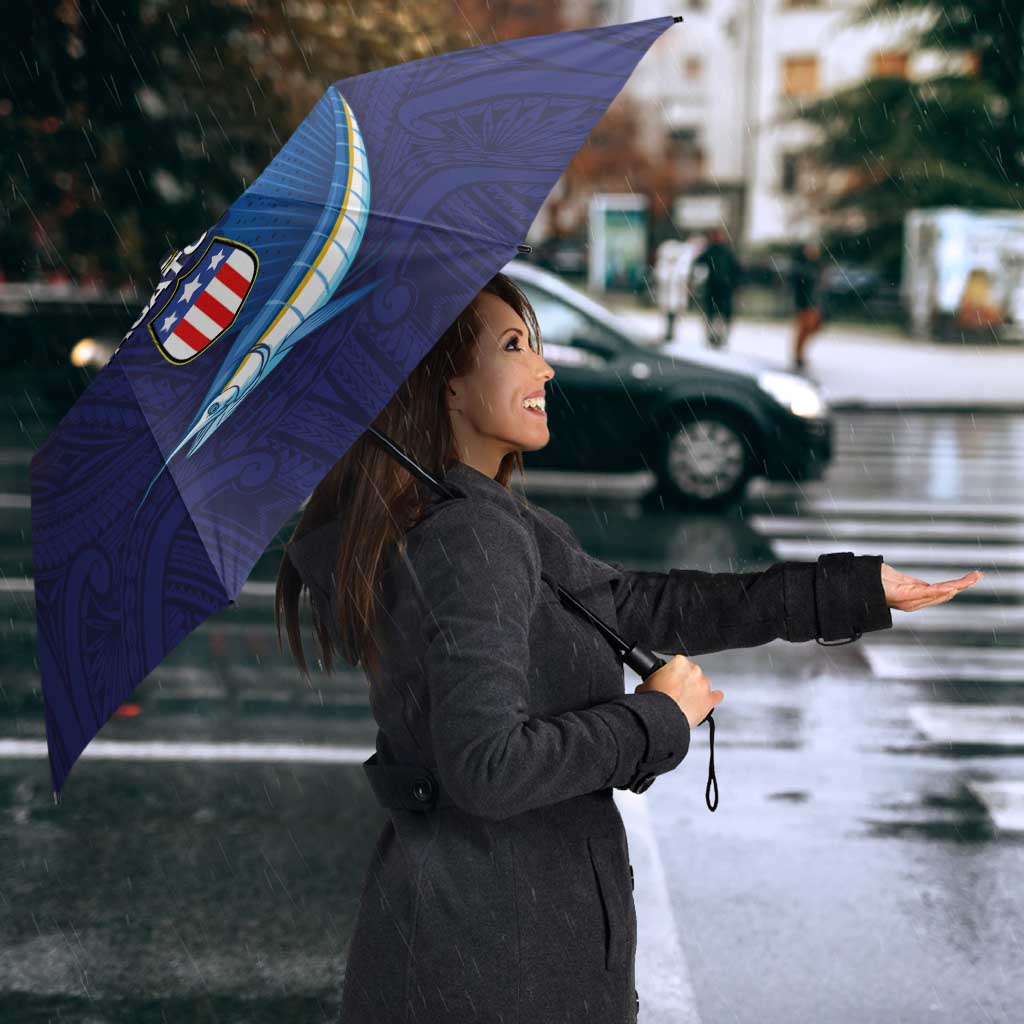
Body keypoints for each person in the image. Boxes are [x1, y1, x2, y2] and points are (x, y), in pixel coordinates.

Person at [276, 272, 981, 1024]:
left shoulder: (480, 519)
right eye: (514, 346)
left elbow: (644, 606)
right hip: (496, 962)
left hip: (481, 943)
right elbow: (487, 768)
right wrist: (655, 719)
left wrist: (850, 590)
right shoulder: (469, 536)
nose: (544, 368)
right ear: (445, 387)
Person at [692, 226, 742, 349]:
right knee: (713, 314)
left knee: (720, 315)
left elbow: (736, 270)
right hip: (715, 288)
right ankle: (713, 337)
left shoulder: (725, 252)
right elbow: (698, 264)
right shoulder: (712, 251)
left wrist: (735, 284)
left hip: (723, 288)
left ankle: (719, 337)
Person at [790, 239, 826, 370]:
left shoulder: (817, 266)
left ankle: (799, 354)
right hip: (805, 303)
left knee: (812, 328)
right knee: (804, 329)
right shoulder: (802, 267)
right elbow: (799, 286)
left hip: (814, 303)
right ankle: (798, 355)